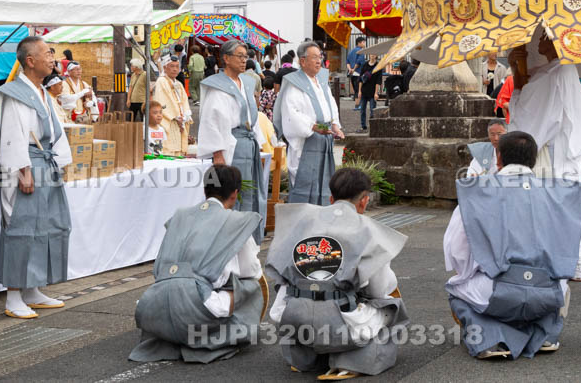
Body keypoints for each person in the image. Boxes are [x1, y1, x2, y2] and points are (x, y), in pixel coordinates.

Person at [445, 131, 581, 359]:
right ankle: (544, 334)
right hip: (547, 290)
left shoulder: (477, 192)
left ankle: (489, 338)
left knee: (456, 289)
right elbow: (572, 247)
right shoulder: (560, 194)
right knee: (555, 288)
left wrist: (474, 272)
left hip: (497, 289)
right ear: (534, 159)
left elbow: (457, 251)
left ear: (498, 157)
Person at [266, 167, 408, 378]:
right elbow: (380, 290)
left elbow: (281, 273)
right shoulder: (368, 230)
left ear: (331, 198)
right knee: (391, 307)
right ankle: (351, 361)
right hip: (336, 320)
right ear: (364, 201)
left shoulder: (302, 220)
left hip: (292, 317)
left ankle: (305, 357)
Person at [129, 164, 263, 363]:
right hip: (195, 308)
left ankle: (171, 332)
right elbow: (251, 270)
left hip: (151, 307)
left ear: (204, 189)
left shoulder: (179, 216)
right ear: (235, 194)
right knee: (251, 285)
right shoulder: (235, 221)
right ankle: (214, 338)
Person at [0, 36, 72, 319]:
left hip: (44, 163)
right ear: (30, 61)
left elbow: (53, 131)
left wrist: (61, 162)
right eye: (47, 53)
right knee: (21, 228)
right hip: (27, 166)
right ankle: (13, 295)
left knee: (47, 226)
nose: (53, 57)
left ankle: (33, 288)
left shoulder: (41, 91)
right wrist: (23, 171)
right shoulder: (16, 92)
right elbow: (11, 135)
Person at [506, 34, 581, 281]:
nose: (539, 42)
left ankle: (572, 261)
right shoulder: (551, 71)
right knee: (564, 205)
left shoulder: (558, 72)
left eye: (547, 37)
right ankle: (570, 261)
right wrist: (517, 69)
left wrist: (518, 73)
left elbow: (531, 115)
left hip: (554, 147)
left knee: (557, 206)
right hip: (560, 147)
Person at [198, 40, 266, 240]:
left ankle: (249, 240)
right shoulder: (218, 87)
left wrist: (259, 146)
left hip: (248, 143)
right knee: (233, 193)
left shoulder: (246, 83)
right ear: (226, 59)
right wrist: (218, 153)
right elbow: (211, 120)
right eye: (239, 56)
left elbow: (252, 117)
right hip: (232, 144)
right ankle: (230, 240)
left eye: (246, 56)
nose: (244, 60)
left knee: (251, 192)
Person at [273, 41, 343, 206]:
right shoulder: (294, 84)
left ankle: (321, 225)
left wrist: (335, 125)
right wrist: (312, 126)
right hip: (306, 142)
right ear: (302, 61)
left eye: (320, 57)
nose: (319, 61)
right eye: (314, 58)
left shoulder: (321, 81)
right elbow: (291, 113)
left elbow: (330, 104)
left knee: (324, 181)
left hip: (324, 138)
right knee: (305, 185)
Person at [150, 56, 192, 155]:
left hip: (180, 121)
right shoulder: (162, 81)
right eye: (171, 66)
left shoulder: (178, 84)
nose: (175, 69)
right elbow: (162, 101)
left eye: (177, 66)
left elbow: (185, 101)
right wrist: (176, 116)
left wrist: (185, 115)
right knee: (169, 149)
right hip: (169, 120)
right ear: (165, 68)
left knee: (178, 149)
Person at [357, 54, 381, 132]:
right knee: (362, 110)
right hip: (364, 90)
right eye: (371, 54)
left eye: (374, 54)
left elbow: (378, 81)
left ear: (376, 56)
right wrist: (359, 91)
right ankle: (363, 125)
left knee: (372, 110)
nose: (372, 56)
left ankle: (373, 126)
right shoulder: (364, 65)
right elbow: (361, 79)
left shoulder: (378, 66)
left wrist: (376, 93)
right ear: (369, 55)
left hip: (372, 91)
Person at [346, 36, 367, 108]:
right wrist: (354, 69)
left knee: (355, 90)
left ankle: (356, 105)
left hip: (352, 74)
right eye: (363, 42)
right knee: (359, 89)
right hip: (358, 72)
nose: (365, 44)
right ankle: (358, 105)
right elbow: (359, 62)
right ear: (359, 43)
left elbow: (347, 62)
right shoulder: (361, 51)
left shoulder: (351, 51)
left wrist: (350, 70)